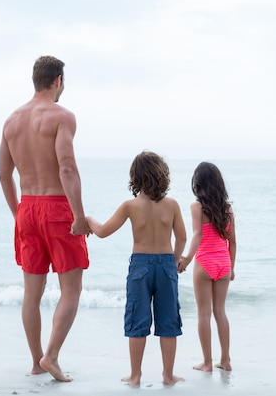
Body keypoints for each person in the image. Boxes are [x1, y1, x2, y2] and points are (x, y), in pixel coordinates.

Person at [0, 55, 90, 382]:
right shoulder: (62, 117)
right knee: (71, 290)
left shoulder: (11, 121)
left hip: (27, 207)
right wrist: (79, 216)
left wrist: (17, 214)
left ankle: (36, 363)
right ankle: (51, 355)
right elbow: (66, 167)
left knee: (32, 293)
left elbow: (3, 175)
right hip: (56, 207)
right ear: (57, 81)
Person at [86, 151, 187, 387]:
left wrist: (89, 219)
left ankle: (135, 375)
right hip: (165, 265)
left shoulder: (130, 206)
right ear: (162, 175)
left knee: (137, 321)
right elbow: (181, 237)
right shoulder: (172, 205)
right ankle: (168, 375)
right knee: (168, 322)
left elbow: (102, 232)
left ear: (136, 178)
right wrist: (174, 260)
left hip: (140, 265)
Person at [178, 162, 236, 372]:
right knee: (220, 312)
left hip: (205, 263)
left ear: (198, 183)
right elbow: (233, 241)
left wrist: (186, 258)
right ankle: (226, 361)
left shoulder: (197, 207)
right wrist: (232, 268)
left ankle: (207, 363)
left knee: (204, 314)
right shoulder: (228, 210)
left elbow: (197, 235)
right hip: (224, 264)